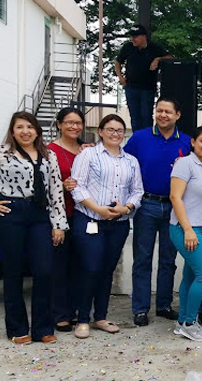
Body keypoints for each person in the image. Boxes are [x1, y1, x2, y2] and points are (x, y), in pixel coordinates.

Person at [70, 114, 143, 339]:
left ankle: (100, 317)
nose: (115, 134)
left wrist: (127, 208)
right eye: (110, 129)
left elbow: (138, 190)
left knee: (106, 270)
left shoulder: (130, 160)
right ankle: (82, 319)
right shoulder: (88, 154)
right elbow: (77, 186)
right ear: (101, 131)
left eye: (119, 130)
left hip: (118, 223)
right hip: (90, 219)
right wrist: (98, 209)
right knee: (90, 268)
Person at [0, 112, 67, 345]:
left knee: (44, 270)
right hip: (12, 213)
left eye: (30, 126)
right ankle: (17, 328)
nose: (25, 131)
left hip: (40, 214)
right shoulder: (2, 154)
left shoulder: (48, 155)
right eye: (20, 127)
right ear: (13, 130)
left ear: (37, 130)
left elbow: (56, 190)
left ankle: (43, 328)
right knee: (13, 272)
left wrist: (59, 224)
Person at [124, 97, 191, 327]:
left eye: (168, 112)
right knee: (142, 259)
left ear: (177, 115)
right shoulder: (139, 138)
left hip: (175, 206)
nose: (163, 115)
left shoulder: (188, 142)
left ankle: (163, 305)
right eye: (159, 110)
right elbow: (121, 161)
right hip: (147, 205)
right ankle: (140, 308)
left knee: (168, 259)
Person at [169, 126, 202, 342]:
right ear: (193, 142)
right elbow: (175, 197)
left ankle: (182, 321)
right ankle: (190, 323)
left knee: (191, 276)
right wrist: (188, 229)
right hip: (186, 228)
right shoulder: (184, 163)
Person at [48, 107, 85, 332]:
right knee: (58, 265)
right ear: (59, 124)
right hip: (58, 216)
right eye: (69, 122)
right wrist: (60, 186)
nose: (74, 127)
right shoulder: (49, 151)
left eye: (78, 123)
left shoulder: (86, 150)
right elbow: (41, 186)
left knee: (78, 265)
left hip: (83, 215)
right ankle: (60, 313)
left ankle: (74, 310)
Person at [114, 24, 172, 132]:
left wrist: (158, 59)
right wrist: (120, 77)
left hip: (147, 88)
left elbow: (170, 57)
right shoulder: (128, 47)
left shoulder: (154, 48)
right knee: (135, 118)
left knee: (146, 117)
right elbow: (117, 62)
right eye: (132, 36)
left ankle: (148, 140)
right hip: (131, 87)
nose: (133, 39)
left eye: (136, 36)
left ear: (144, 37)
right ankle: (138, 140)